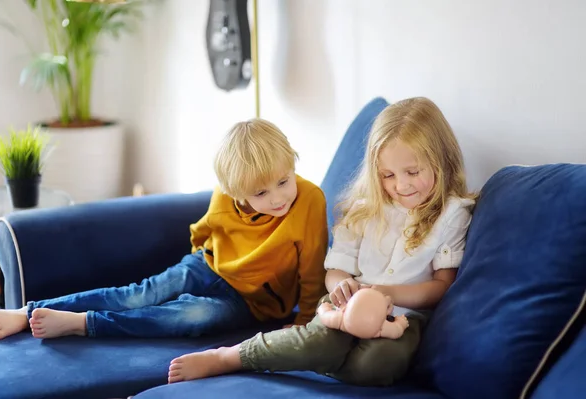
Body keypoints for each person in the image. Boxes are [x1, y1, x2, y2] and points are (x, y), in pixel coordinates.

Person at [167, 97, 476, 387]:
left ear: (441, 161)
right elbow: (335, 269)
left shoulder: (452, 214)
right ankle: (230, 357)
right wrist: (341, 284)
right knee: (318, 340)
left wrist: (388, 293)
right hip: (346, 305)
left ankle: (318, 356)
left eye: (412, 172)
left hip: (404, 317)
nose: (401, 185)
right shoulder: (364, 208)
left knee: (380, 365)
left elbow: (441, 286)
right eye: (387, 175)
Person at [0, 119, 328, 341]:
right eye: (261, 194)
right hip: (207, 263)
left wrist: (306, 321)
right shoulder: (226, 193)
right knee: (139, 294)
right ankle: (26, 311)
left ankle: (83, 323)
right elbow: (203, 230)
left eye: (284, 181)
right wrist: (197, 262)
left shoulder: (310, 200)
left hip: (251, 302)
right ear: (238, 193)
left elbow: (313, 269)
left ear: (292, 163)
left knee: (192, 316)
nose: (279, 197)